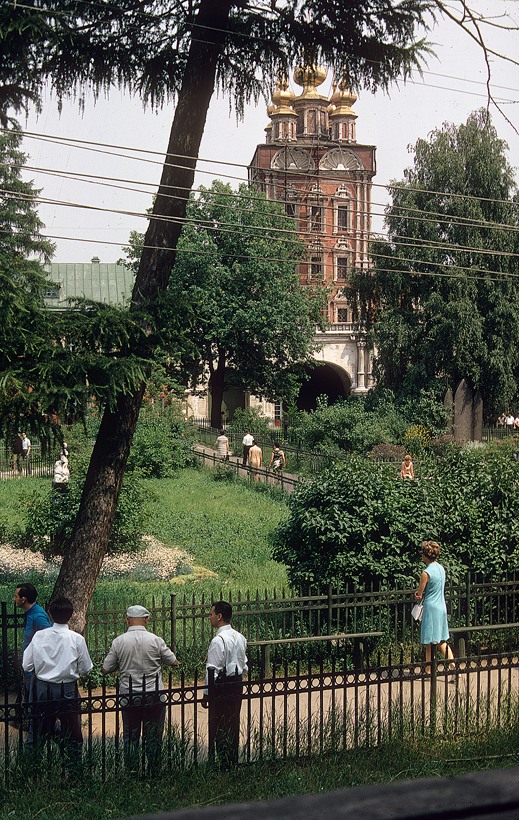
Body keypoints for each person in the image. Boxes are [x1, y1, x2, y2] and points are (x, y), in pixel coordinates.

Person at [102, 604, 179, 771]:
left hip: (129, 695)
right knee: (153, 736)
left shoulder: (119, 641)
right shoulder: (156, 640)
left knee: (131, 736)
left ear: (127, 620)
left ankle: (132, 770)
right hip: (153, 694)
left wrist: (120, 665)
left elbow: (105, 668)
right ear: (146, 620)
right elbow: (173, 661)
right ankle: (154, 769)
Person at [22, 597, 93, 766]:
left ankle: (31, 769)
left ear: (51, 615)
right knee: (73, 731)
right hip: (66, 688)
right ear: (72, 615)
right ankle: (73, 769)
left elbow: (26, 665)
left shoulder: (39, 636)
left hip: (41, 688)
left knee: (37, 730)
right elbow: (86, 668)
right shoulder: (76, 639)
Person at [201, 601, 247, 769]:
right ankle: (232, 758)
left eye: (211, 614)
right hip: (237, 682)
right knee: (233, 721)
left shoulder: (218, 640)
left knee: (220, 724)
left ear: (219, 616)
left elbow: (211, 670)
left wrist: (206, 693)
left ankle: (222, 762)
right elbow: (244, 663)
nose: (209, 617)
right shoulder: (240, 637)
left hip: (222, 685)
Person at [13, 583, 52, 739]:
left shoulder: (38, 616)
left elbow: (49, 640)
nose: (14, 598)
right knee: (32, 710)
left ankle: (44, 738)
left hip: (35, 672)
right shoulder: (31, 613)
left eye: (16, 596)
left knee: (35, 711)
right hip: (30, 670)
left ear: (23, 599)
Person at [414, 540, 455, 675]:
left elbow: (420, 594)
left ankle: (428, 671)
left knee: (428, 643)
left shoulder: (426, 573)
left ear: (425, 555)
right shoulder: (441, 568)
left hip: (431, 608)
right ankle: (454, 666)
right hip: (441, 606)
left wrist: (418, 595)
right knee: (442, 640)